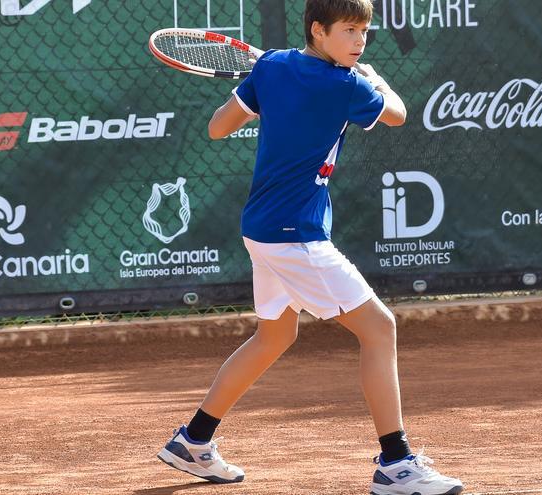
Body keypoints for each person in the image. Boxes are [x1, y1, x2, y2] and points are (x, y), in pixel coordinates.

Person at [156, 1, 464, 494]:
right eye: (349, 30)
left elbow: (218, 126)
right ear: (318, 31)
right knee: (379, 329)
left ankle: (194, 440)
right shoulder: (347, 85)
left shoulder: (273, 65)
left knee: (275, 337)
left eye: (365, 31)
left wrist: (267, 83)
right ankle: (396, 463)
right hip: (295, 234)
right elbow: (399, 115)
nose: (360, 41)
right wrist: (375, 77)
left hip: (260, 227)